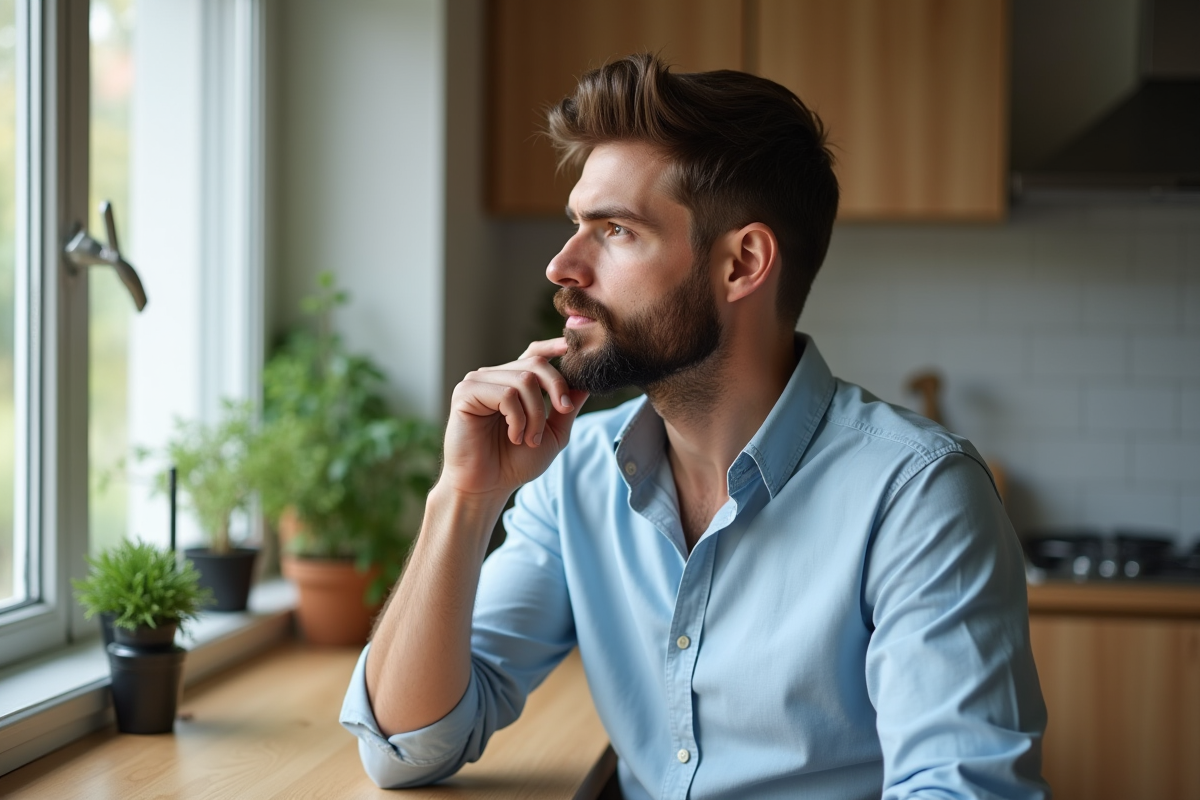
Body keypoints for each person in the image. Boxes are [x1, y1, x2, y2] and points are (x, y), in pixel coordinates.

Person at [340, 54, 1048, 800]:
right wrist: (464, 494)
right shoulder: (577, 473)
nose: (561, 265)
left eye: (614, 230)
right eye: (576, 225)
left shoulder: (918, 497)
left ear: (742, 263)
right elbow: (405, 749)